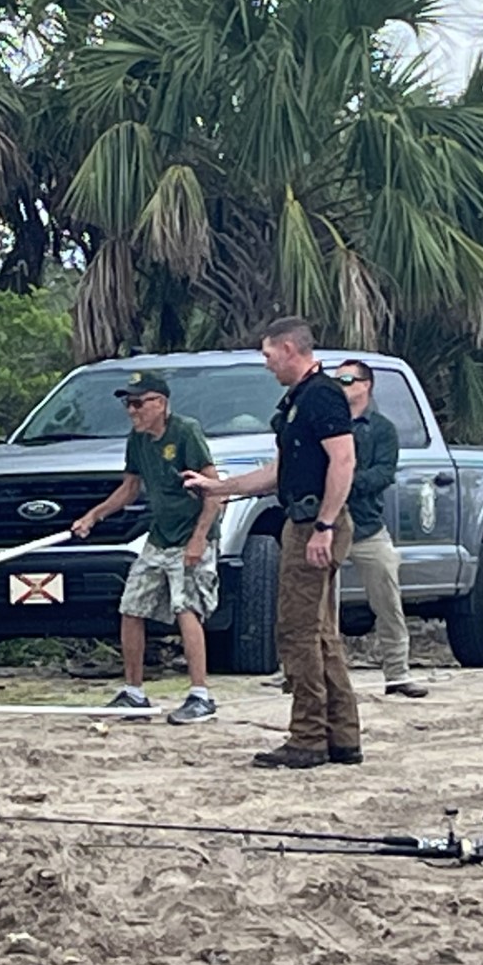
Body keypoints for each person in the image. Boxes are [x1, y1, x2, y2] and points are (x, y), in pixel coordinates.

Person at [184, 317, 361, 768]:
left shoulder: (322, 395)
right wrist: (218, 488)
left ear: (288, 349)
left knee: (297, 632)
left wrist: (323, 525)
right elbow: (277, 472)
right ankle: (342, 736)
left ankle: (308, 738)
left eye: (267, 355)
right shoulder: (300, 399)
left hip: (314, 520)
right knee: (321, 634)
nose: (266, 364)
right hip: (303, 515)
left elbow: (343, 461)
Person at [71, 370, 224, 725]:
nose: (132, 411)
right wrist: (93, 516)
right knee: (132, 606)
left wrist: (199, 538)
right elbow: (129, 489)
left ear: (161, 403)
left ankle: (200, 694)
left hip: (192, 531)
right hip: (160, 536)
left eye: (139, 403)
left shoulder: (185, 432)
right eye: (128, 403)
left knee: (186, 606)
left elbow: (215, 490)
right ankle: (134, 692)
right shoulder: (137, 440)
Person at [337, 359, 428, 699]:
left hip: (367, 527)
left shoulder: (383, 430)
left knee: (388, 601)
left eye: (347, 379)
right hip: (328, 526)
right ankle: (317, 674)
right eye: (337, 380)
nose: (341, 385)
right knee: (318, 606)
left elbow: (382, 475)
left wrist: (344, 482)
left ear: (366, 385)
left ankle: (398, 673)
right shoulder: (329, 424)